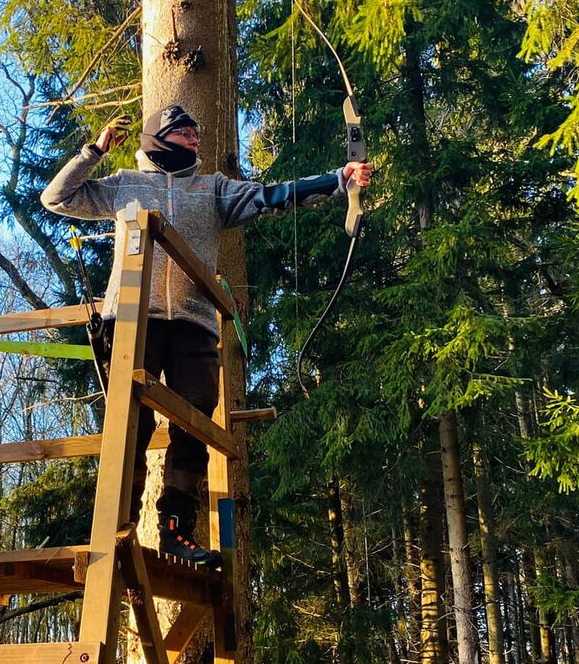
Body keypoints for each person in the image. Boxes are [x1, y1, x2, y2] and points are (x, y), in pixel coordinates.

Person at [42, 105, 373, 567]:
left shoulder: (213, 188)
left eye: (197, 131)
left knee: (193, 425)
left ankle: (175, 530)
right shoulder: (124, 184)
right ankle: (116, 531)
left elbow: (272, 196)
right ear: (160, 137)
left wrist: (339, 179)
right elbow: (56, 198)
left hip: (195, 323)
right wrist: (93, 152)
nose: (195, 138)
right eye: (184, 132)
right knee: (129, 424)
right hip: (132, 319)